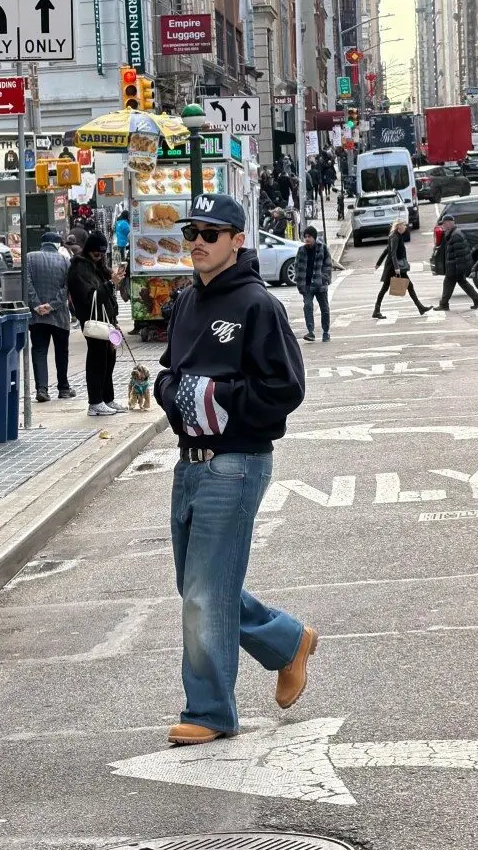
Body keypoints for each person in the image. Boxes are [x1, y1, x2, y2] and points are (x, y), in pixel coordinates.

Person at [153, 193, 313, 747]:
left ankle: (211, 710)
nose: (197, 241)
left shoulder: (258, 306)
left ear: (237, 240)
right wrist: (174, 392)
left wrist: (215, 398)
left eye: (211, 232)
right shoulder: (185, 302)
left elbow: (285, 389)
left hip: (237, 462)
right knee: (197, 585)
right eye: (191, 232)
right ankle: (288, 642)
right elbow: (168, 373)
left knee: (203, 591)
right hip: (189, 462)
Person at [68, 231, 127, 416]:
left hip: (107, 320)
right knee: (97, 359)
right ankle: (95, 402)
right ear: (88, 251)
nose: (99, 257)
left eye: (102, 254)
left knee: (109, 359)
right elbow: (90, 297)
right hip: (93, 322)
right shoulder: (80, 269)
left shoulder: (97, 267)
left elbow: (106, 296)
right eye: (96, 254)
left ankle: (107, 398)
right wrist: (111, 284)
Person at [26, 231, 75, 403]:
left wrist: (37, 305)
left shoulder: (29, 258)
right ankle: (63, 388)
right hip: (59, 316)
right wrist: (52, 305)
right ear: (57, 245)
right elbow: (67, 287)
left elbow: (27, 283)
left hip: (37, 316)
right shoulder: (65, 260)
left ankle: (42, 389)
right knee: (61, 352)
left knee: (39, 350)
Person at [373, 220, 433, 319]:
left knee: (397, 287)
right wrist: (396, 268)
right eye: (403, 225)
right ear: (398, 227)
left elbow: (386, 250)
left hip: (393, 266)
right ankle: (376, 310)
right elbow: (392, 253)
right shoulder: (395, 237)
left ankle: (420, 307)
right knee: (387, 288)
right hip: (394, 267)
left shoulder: (395, 235)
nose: (405, 227)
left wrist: (378, 263)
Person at [434, 215, 478, 311]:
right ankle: (477, 300)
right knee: (461, 282)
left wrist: (457, 269)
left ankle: (444, 304)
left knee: (448, 283)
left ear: (449, 223)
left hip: (456, 266)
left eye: (444, 224)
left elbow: (459, 254)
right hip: (456, 265)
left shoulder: (455, 235)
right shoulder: (452, 233)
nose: (443, 226)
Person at [295, 226, 332, 342]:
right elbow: (297, 266)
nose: (307, 239)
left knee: (324, 308)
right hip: (306, 285)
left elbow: (328, 264)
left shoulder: (323, 248)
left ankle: (325, 332)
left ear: (314, 237)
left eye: (309, 236)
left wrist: (324, 278)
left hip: (320, 284)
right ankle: (310, 332)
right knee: (307, 306)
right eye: (305, 236)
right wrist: (299, 282)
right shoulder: (301, 250)